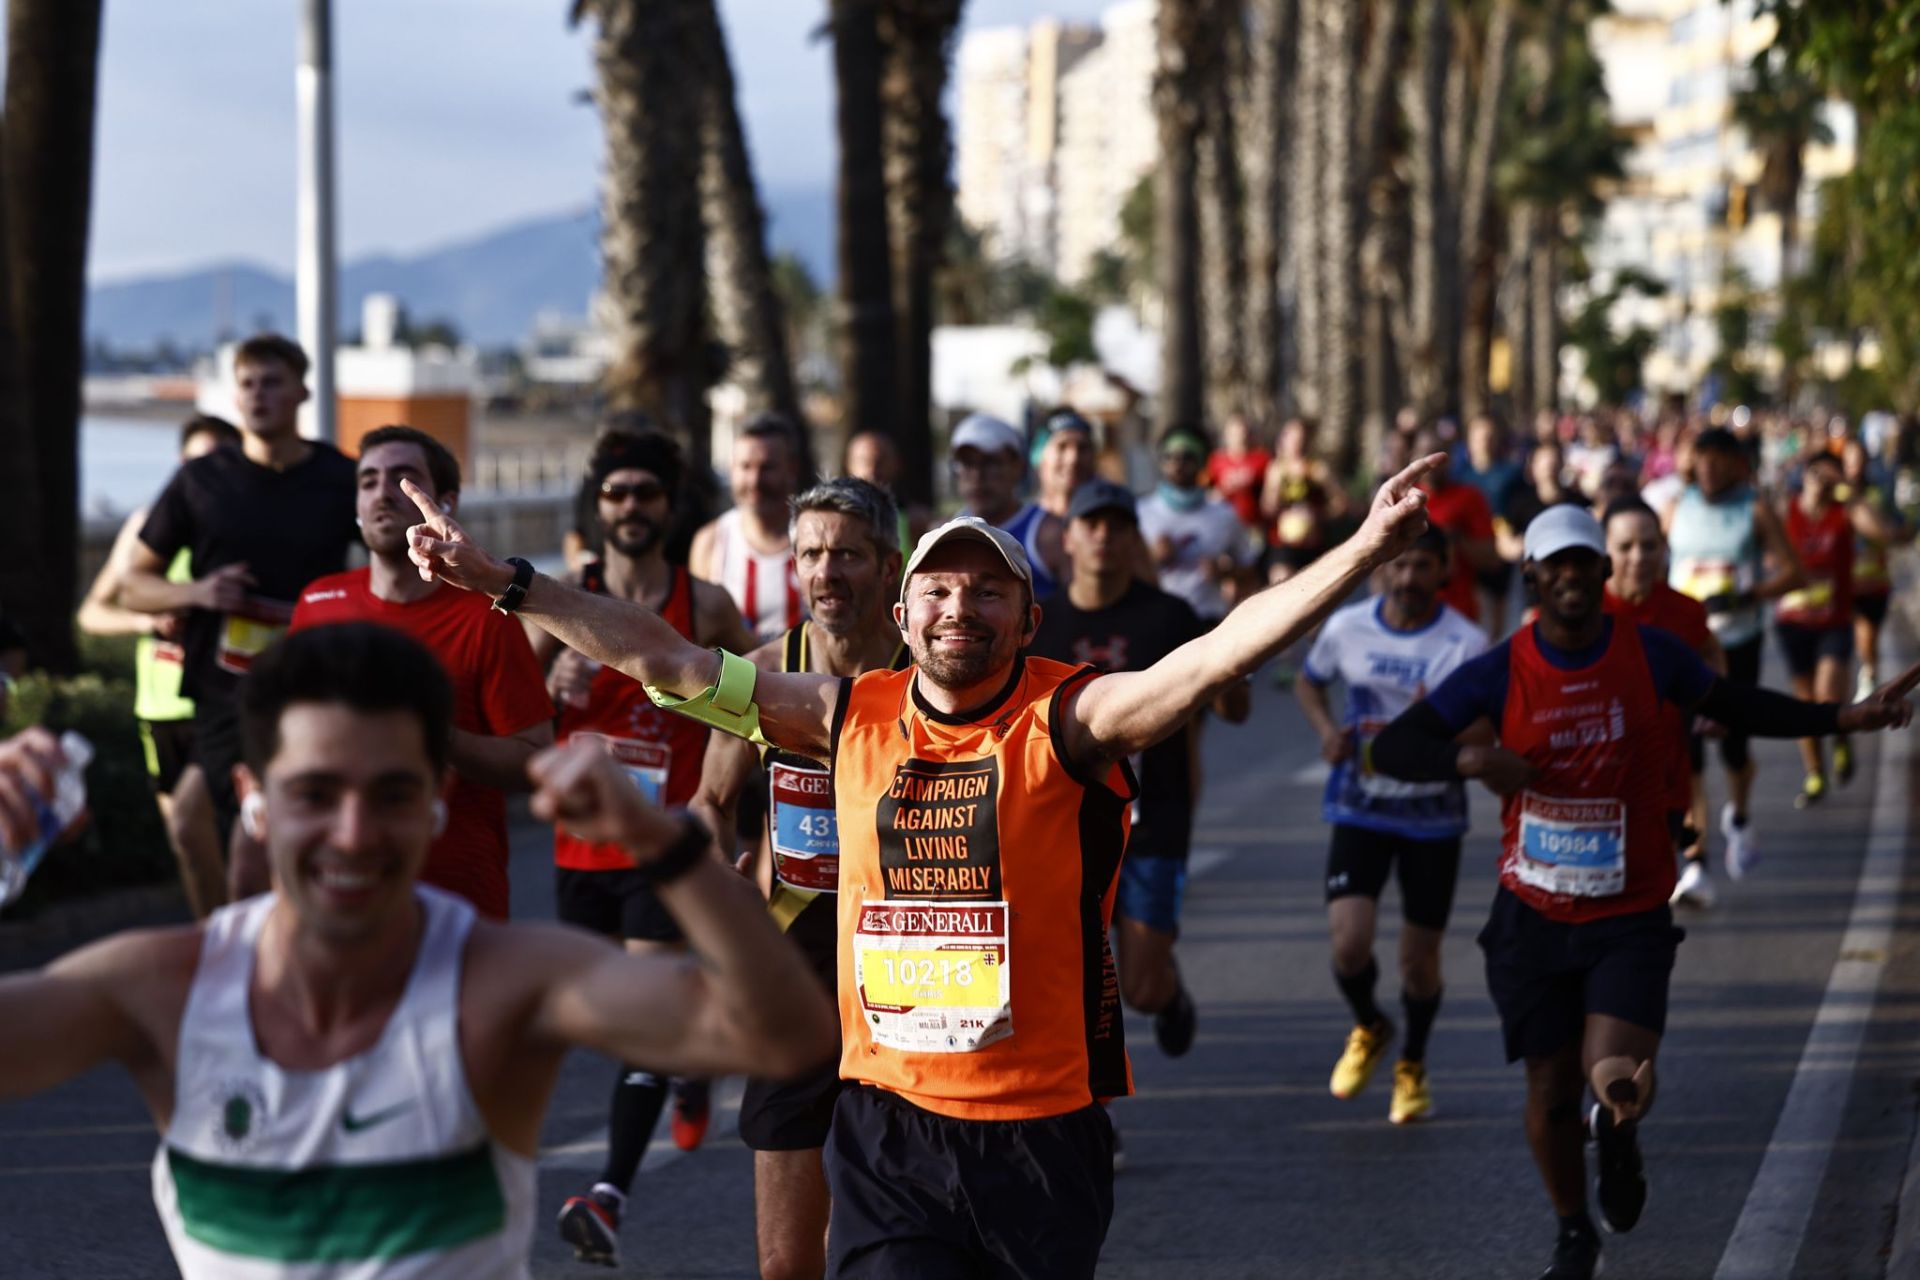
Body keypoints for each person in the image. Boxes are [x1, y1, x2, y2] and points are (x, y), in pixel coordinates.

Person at [399, 447, 1447, 1278]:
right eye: (939, 589)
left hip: (1043, 1127)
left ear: (1027, 619)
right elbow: (667, 661)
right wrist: (507, 582)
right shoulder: (847, 712)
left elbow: (1214, 655)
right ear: (903, 618)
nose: (960, 608)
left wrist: (1361, 547)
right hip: (889, 1120)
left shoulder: (1068, 715)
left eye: (988, 592)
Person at [0, 623, 836, 1279]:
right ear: (252, 795)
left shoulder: (502, 982)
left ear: (439, 794)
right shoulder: (165, 988)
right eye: (315, 793)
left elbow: (784, 1038)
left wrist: (659, 839)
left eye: (390, 794)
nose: (354, 835)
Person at [1369, 505, 1920, 1280]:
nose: (1569, 576)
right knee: (1550, 1085)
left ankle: (1619, 1138)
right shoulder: (1502, 668)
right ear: (1531, 575)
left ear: (1602, 573)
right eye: (1553, 564)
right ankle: (1571, 1231)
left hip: (1628, 909)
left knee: (1612, 1076)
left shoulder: (1653, 654)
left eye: (1582, 562)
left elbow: (1736, 708)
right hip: (1531, 912)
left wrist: (1843, 717)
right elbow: (1396, 744)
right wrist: (1471, 762)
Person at [539, 429, 756, 1265]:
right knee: (601, 1017)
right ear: (597, 507)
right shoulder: (561, 601)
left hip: (666, 844)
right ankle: (694, 1061)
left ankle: (609, 1195)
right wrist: (554, 688)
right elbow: (518, 720)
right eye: (617, 494)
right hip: (577, 850)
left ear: (670, 507)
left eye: (646, 494)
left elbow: (751, 706)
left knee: (638, 1026)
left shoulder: (702, 606)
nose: (631, 508)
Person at [688, 477, 909, 1280]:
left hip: (908, 970)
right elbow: (709, 804)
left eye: (848, 554)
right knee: (786, 1265)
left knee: (895, 1246)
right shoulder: (761, 677)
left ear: (890, 567)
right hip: (797, 971)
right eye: (811, 553)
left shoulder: (933, 679)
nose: (827, 571)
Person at [282, 426, 555, 918]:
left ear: (445, 502)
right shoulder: (318, 601)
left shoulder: (486, 617)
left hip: (455, 900)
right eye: (367, 481)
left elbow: (534, 763)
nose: (381, 492)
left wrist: (424, 733)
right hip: (335, 893)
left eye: (402, 478)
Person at [118, 335, 359, 892]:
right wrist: (197, 593)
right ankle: (222, 947)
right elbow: (134, 585)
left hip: (309, 690)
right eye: (247, 384)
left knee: (269, 841)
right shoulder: (202, 480)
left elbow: (390, 566)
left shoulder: (340, 480)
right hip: (221, 692)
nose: (258, 396)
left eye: (272, 382)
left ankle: (271, 953)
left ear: (302, 391)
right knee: (194, 824)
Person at [1030, 481, 1242, 1070]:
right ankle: (1091, 1113)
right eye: (1090, 524)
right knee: (1068, 984)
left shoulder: (1171, 616)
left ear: (1134, 538)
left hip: (1152, 822)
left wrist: (1233, 666)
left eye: (1117, 525)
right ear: (1068, 537)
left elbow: (1235, 709)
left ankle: (1169, 996)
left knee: (1141, 990)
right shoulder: (1039, 624)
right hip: (1060, 826)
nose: (1103, 536)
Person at [1294, 528, 1488, 1124]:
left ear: (1444, 570)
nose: (1407, 578)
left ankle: (1413, 1062)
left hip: (1432, 814)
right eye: (1398, 566)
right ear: (1380, 567)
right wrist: (1328, 730)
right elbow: (1309, 679)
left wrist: (1441, 740)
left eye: (1422, 566)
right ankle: (1370, 1025)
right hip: (1362, 805)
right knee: (1349, 944)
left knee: (1417, 962)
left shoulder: (1466, 642)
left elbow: (1486, 728)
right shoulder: (1348, 628)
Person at [77, 414, 241, 918]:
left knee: (240, 844)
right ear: (179, 466)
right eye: (195, 462)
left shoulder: (250, 532)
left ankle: (250, 950)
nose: (205, 473)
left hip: (227, 705)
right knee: (188, 844)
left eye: (219, 461)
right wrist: (145, 622)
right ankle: (212, 946)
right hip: (163, 707)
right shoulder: (147, 527)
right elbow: (92, 612)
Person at [1663, 426, 1805, 867]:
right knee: (1687, 751)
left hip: (1738, 639)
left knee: (1733, 746)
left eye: (1718, 457)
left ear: (1736, 463)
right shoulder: (1673, 507)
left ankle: (1739, 817)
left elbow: (1795, 574)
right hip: (1683, 644)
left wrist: (1748, 595)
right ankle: (1696, 856)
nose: (1708, 465)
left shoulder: (1755, 509)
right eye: (1700, 455)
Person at [1599, 500, 1725, 908]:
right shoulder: (1581, 611)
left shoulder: (1685, 611)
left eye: (1650, 546)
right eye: (1626, 546)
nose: (1639, 558)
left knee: (1646, 905)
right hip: (1593, 790)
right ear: (1604, 552)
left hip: (1664, 786)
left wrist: (1714, 703)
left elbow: (1710, 650)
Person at [1775, 450, 1868, 808]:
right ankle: (1815, 772)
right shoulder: (1788, 509)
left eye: (1828, 473)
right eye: (1815, 472)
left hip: (1834, 620)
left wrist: (1847, 489)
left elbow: (1878, 528)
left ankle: (1840, 735)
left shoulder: (1845, 511)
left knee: (1828, 692)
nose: (1820, 479)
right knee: (1804, 703)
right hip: (1793, 621)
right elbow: (1767, 547)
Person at [692, 414, 807, 642]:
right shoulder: (710, 542)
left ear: (792, 469)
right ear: (732, 469)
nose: (755, 481)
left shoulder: (819, 535)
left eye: (767, 467)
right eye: (745, 467)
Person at [1141, 425, 1261, 625]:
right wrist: (1151, 560)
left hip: (1206, 623)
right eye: (1170, 456)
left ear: (1202, 462)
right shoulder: (1141, 511)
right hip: (1154, 623)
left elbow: (1250, 570)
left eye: (1187, 457)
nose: (1177, 463)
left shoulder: (1224, 514)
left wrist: (1224, 573)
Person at [949, 411, 1064, 601]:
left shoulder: (1050, 534)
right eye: (967, 463)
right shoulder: (941, 533)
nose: (978, 475)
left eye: (991, 462)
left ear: (1017, 466)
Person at [1841, 436, 1908, 701]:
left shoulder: (1878, 493)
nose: (1854, 467)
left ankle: (1869, 673)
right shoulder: (1835, 495)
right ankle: (1860, 686)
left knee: (1868, 639)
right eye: (1849, 461)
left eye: (1859, 461)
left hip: (1874, 581)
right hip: (1842, 584)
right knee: (1850, 641)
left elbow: (1897, 526)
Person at [1413, 425, 1500, 629]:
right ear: (1414, 456)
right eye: (1427, 454)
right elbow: (1380, 568)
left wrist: (1455, 538)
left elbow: (1491, 558)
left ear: (1451, 458)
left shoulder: (1470, 497)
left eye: (1440, 455)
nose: (1433, 463)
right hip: (1410, 614)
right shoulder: (1403, 498)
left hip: (1458, 615)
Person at [1456, 413, 1524, 635]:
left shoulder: (1511, 474)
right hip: (1466, 549)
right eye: (1479, 435)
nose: (1484, 440)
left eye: (1490, 435)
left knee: (1498, 608)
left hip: (1498, 549)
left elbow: (1519, 510)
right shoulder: (1458, 475)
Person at [1260, 416, 1345, 585]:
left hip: (1313, 545)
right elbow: (1267, 509)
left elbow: (1341, 504)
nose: (1296, 443)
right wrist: (1276, 493)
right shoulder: (1276, 470)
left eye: (1300, 438)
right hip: (1284, 544)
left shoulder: (1318, 470)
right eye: (1291, 438)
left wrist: (1318, 515)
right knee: (1280, 584)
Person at [844, 430, 931, 550]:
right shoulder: (837, 521)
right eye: (864, 461)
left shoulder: (917, 521)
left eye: (880, 461)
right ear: (849, 465)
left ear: (897, 464)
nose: (872, 470)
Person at [1207, 411, 1272, 536]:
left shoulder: (1262, 459)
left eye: (1244, 432)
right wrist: (1226, 488)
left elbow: (1270, 494)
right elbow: (1207, 496)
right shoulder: (1215, 461)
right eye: (1235, 433)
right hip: (1224, 526)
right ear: (1227, 435)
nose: (1240, 437)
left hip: (1255, 527)